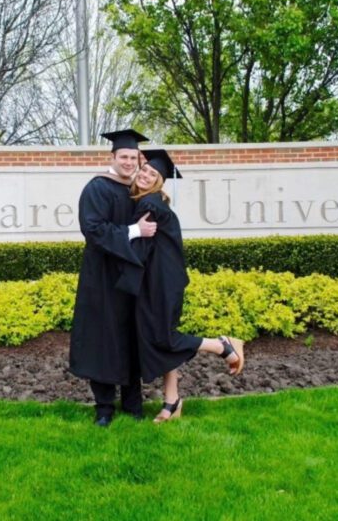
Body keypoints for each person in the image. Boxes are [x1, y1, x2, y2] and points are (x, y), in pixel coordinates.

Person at [116, 149, 245, 424]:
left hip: (160, 284)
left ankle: (222, 345)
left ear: (160, 181)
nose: (146, 175)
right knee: (164, 337)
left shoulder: (148, 205)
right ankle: (172, 402)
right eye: (145, 170)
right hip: (164, 281)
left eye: (153, 173)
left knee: (162, 339)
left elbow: (139, 250)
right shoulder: (157, 202)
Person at [69, 129, 158, 427]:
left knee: (132, 336)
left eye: (134, 157)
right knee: (103, 339)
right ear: (113, 157)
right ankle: (104, 407)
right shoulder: (98, 188)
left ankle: (133, 404)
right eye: (124, 157)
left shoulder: (139, 190)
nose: (129, 162)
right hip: (103, 278)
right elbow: (92, 230)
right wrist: (134, 231)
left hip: (132, 278)